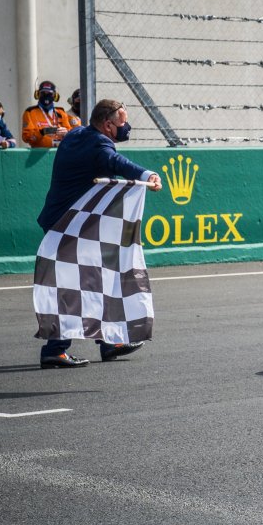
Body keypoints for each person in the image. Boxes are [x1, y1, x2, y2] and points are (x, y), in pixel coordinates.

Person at [35, 99, 163, 369]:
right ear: (107, 125)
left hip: (69, 222)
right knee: (74, 286)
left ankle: (108, 342)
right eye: (122, 122)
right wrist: (147, 175)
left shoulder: (77, 133)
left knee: (98, 279)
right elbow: (116, 162)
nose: (126, 126)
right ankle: (55, 350)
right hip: (69, 225)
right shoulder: (99, 145)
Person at [21, 81, 74, 148]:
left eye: (49, 94)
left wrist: (66, 133)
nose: (46, 96)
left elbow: (72, 134)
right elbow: (26, 137)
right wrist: (42, 132)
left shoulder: (61, 112)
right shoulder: (30, 112)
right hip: (39, 152)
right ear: (37, 94)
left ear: (55, 96)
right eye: (43, 93)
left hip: (60, 151)